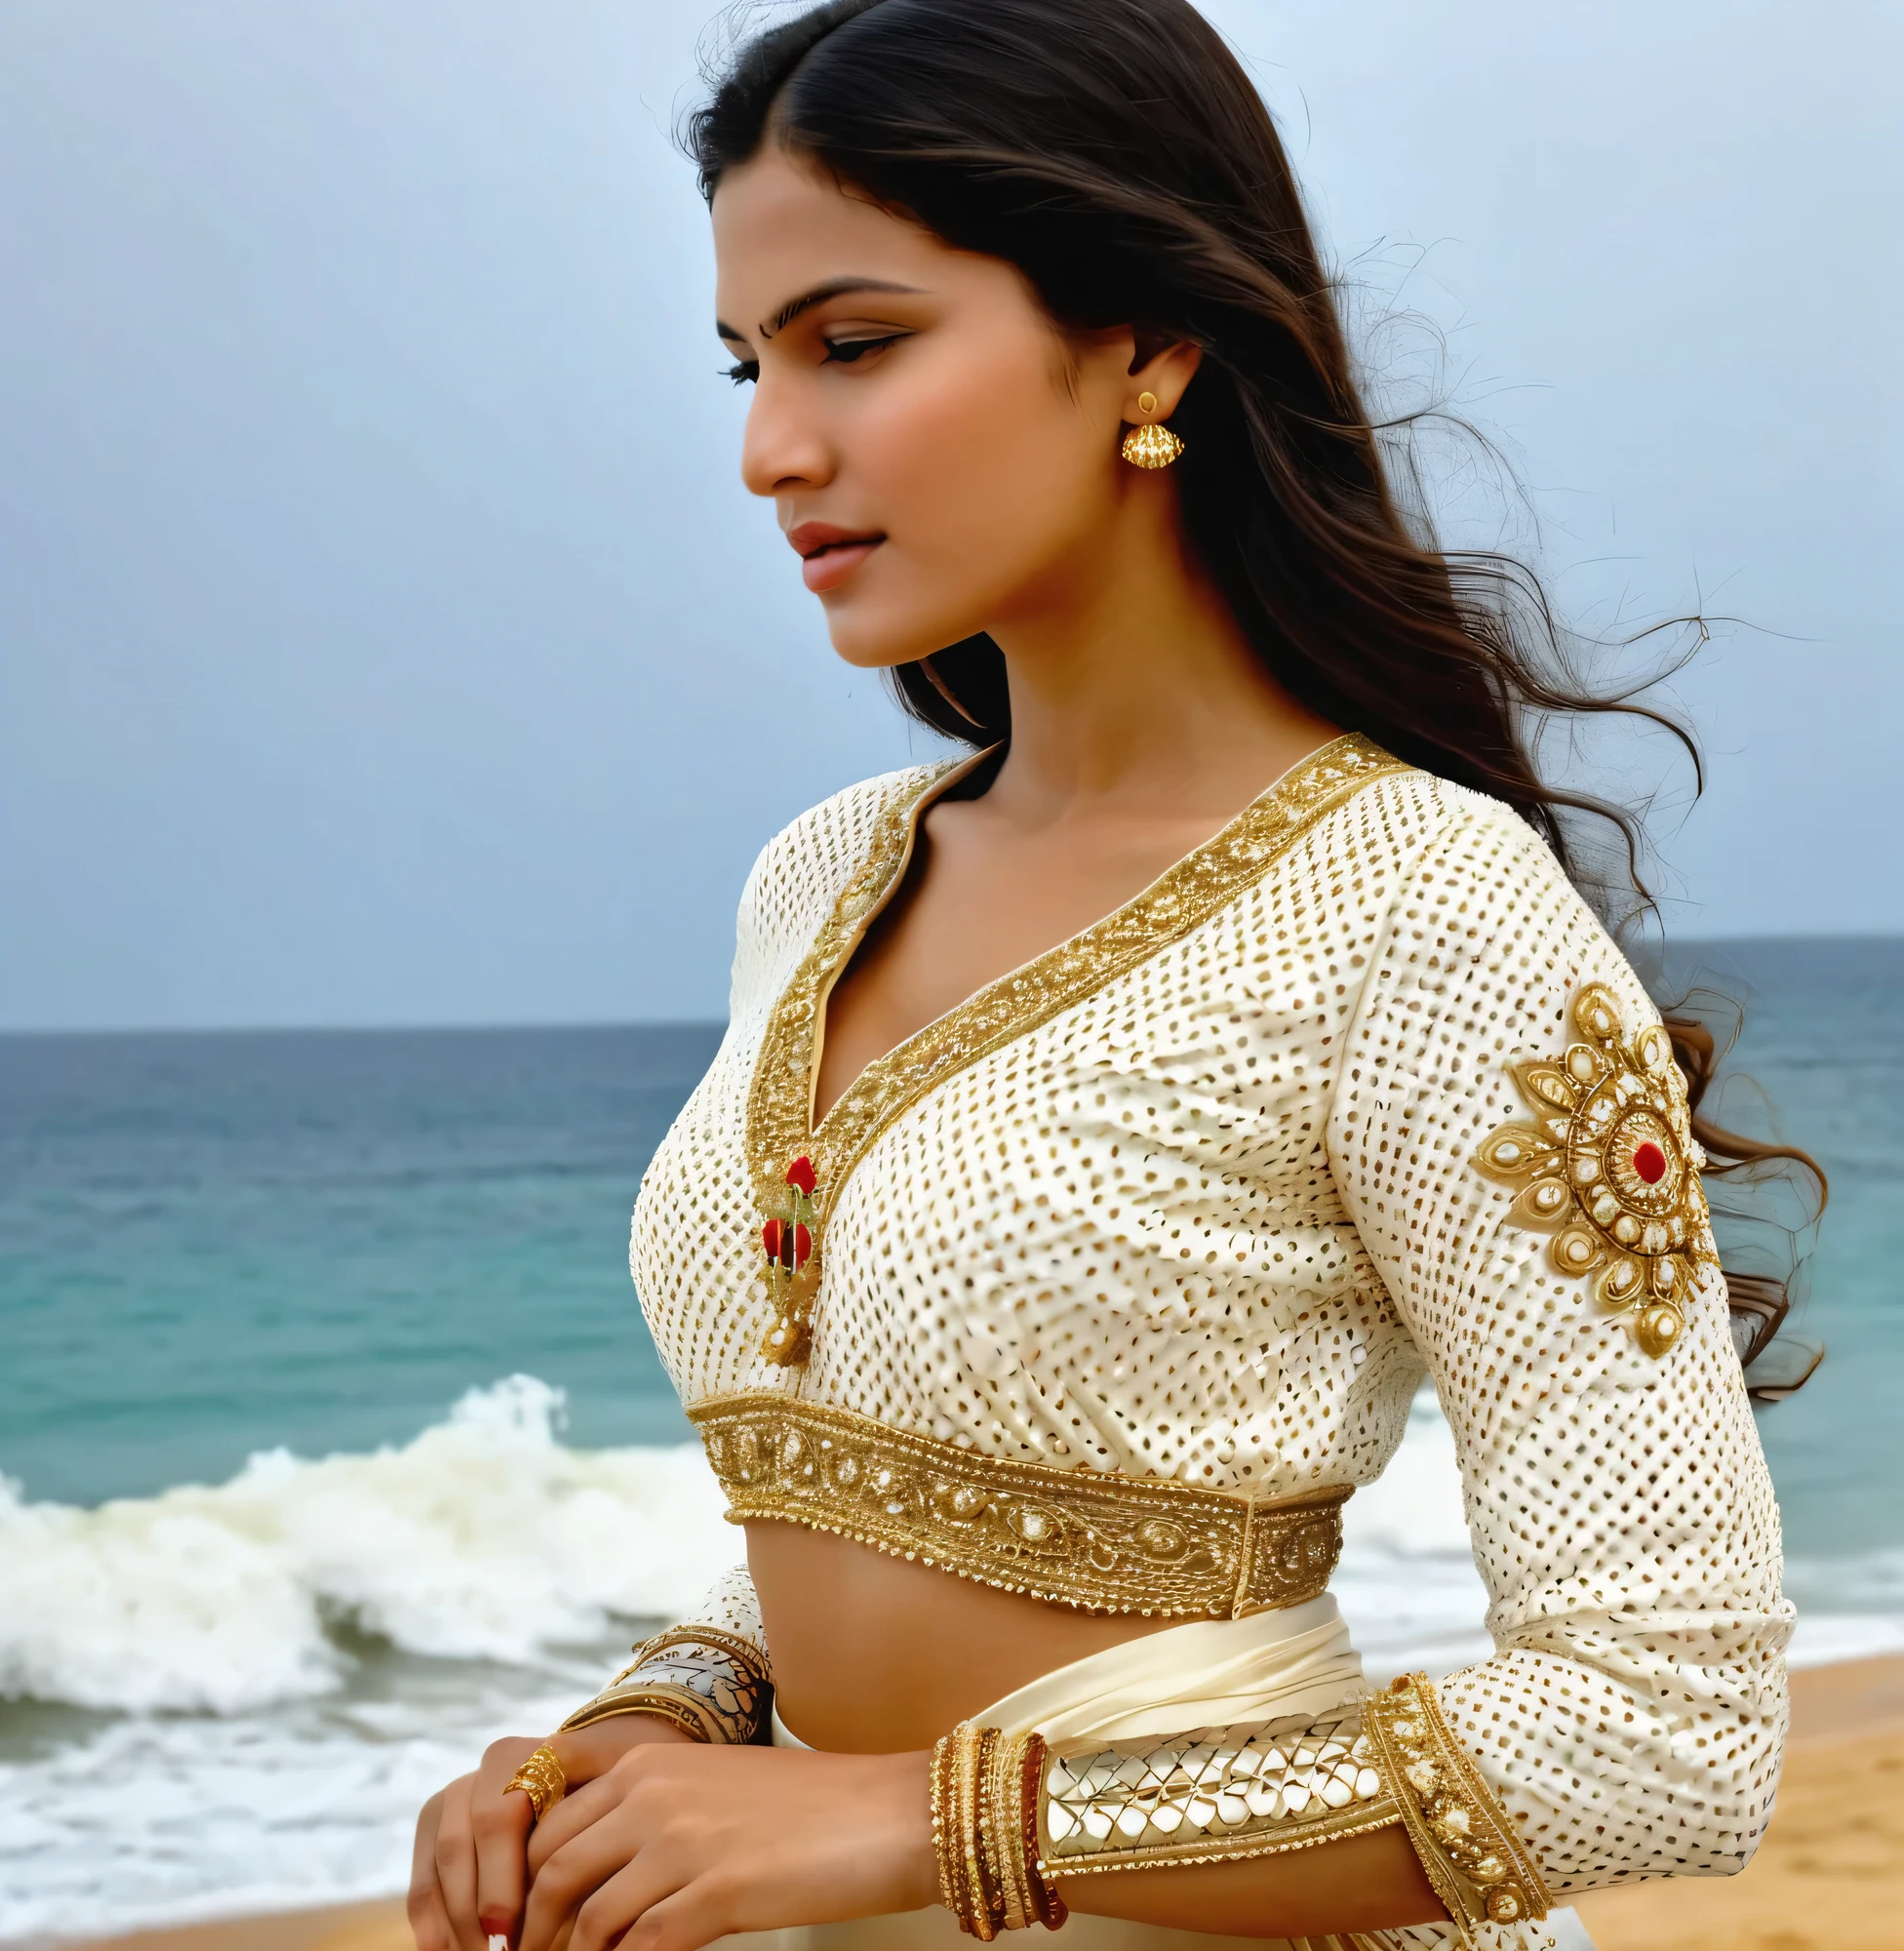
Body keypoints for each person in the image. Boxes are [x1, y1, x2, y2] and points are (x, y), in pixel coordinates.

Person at [408, 2, 1802, 1946]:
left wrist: (929, 1827)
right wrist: (660, 1718)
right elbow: (875, 1488)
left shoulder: (1420, 907)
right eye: (744, 363)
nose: (765, 449)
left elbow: (1669, 1729)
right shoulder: (822, 877)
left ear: (1144, 335)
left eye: (856, 343)